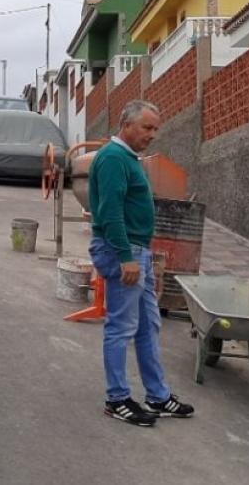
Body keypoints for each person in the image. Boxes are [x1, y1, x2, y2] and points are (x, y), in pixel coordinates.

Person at [88, 99, 194, 427]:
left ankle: (158, 396)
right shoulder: (112, 159)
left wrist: (141, 257)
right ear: (127, 124)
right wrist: (125, 258)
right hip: (124, 253)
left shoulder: (129, 158)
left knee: (149, 324)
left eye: (155, 129)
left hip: (139, 253)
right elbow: (110, 212)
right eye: (147, 127)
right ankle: (117, 398)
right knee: (121, 327)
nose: (152, 134)